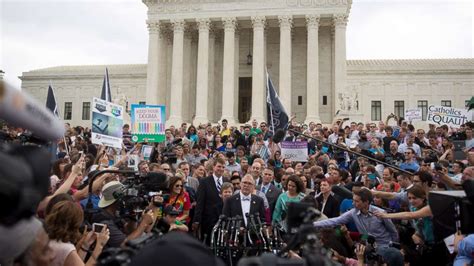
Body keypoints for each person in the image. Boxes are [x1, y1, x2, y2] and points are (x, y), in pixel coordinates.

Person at [313, 188, 403, 266]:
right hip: (369, 250)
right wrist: (313, 224)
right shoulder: (353, 213)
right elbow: (336, 220)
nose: (353, 203)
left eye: (356, 201)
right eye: (353, 200)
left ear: (366, 202)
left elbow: (393, 231)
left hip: (385, 249)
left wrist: (393, 249)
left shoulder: (380, 213)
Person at [374, 185, 448, 265]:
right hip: (425, 245)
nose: (411, 201)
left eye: (414, 198)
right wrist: (416, 234)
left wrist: (386, 215)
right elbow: (419, 225)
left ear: (423, 198)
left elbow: (411, 215)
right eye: (409, 198)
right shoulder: (413, 207)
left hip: (438, 245)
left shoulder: (430, 207)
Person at [92, 181, 155, 248]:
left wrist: (133, 216)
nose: (126, 200)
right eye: (124, 198)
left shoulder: (115, 213)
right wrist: (144, 223)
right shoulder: (105, 222)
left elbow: (128, 230)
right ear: (117, 200)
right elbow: (125, 245)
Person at [45, 201, 110, 266]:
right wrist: (100, 245)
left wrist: (85, 244)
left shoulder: (45, 240)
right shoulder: (66, 248)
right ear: (75, 224)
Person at [193, 158, 225, 245]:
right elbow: (200, 202)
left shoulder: (227, 181)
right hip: (208, 220)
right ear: (213, 167)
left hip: (223, 220)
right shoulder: (204, 181)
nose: (221, 169)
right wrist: (197, 220)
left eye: (223, 167)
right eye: (219, 166)